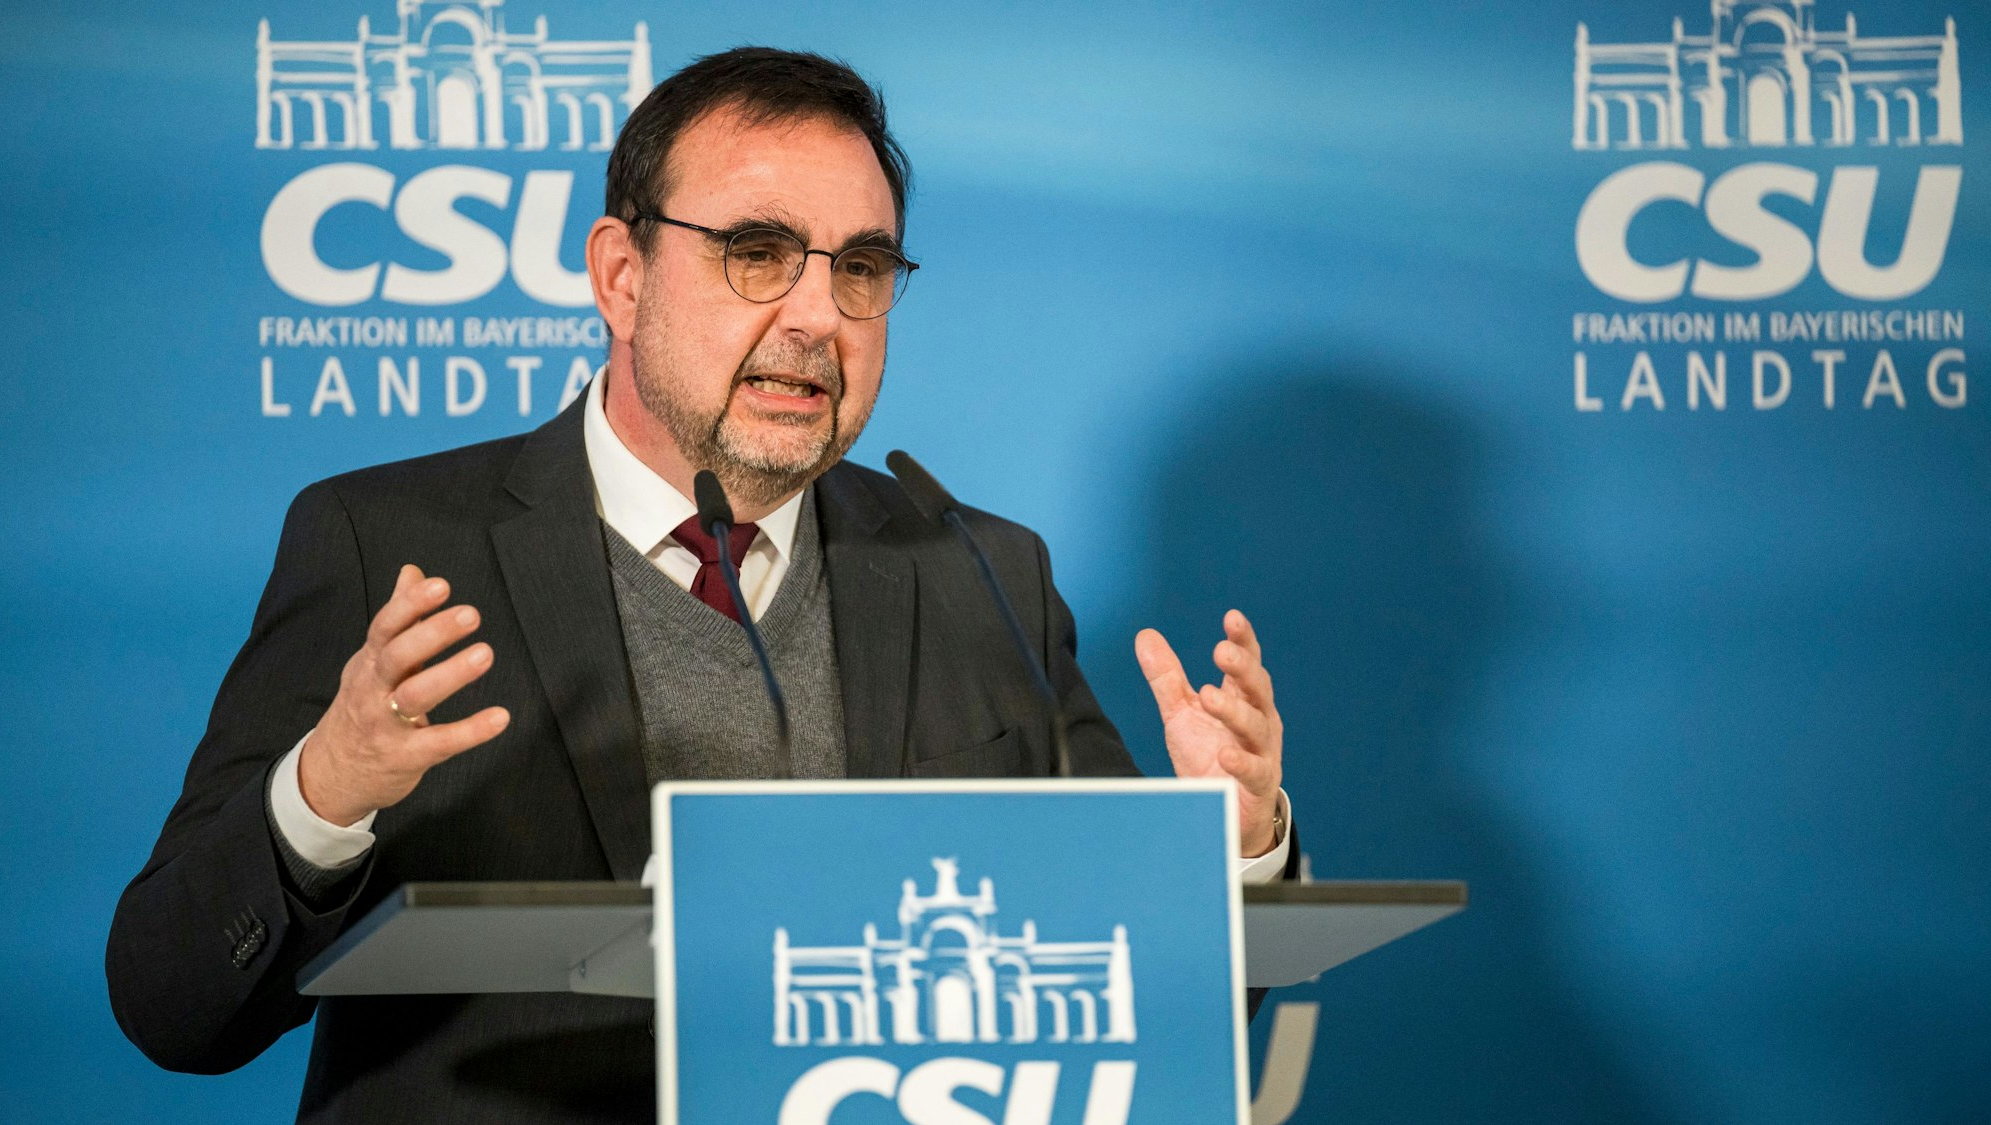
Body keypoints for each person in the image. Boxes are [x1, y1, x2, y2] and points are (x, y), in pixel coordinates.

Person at [108, 48, 1296, 1121]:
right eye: (756, 254)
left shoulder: (977, 572)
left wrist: (1231, 855)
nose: (816, 317)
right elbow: (174, 1008)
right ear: (620, 276)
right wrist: (324, 794)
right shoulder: (388, 544)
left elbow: (1135, 1002)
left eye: (861, 268)